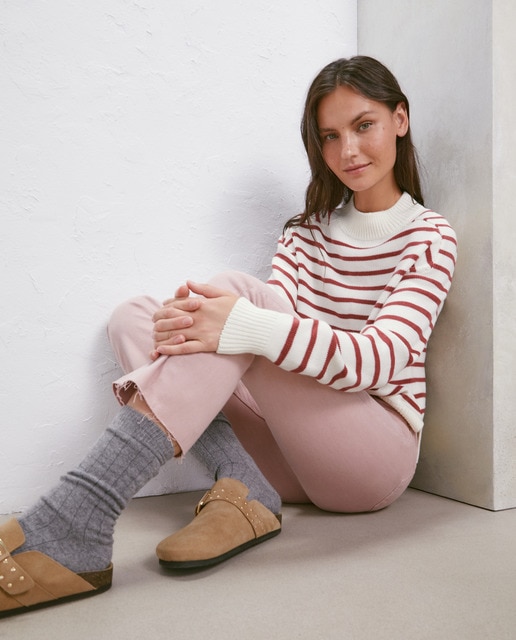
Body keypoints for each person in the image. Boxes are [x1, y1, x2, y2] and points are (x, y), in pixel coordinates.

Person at [0, 55, 457, 618]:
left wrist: (233, 319)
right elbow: (269, 335)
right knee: (135, 316)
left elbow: (377, 361)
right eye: (330, 136)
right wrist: (209, 322)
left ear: (400, 120)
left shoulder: (429, 237)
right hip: (287, 458)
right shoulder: (304, 234)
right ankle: (244, 480)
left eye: (364, 126)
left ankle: (79, 513)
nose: (348, 151)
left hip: (370, 460)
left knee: (239, 303)